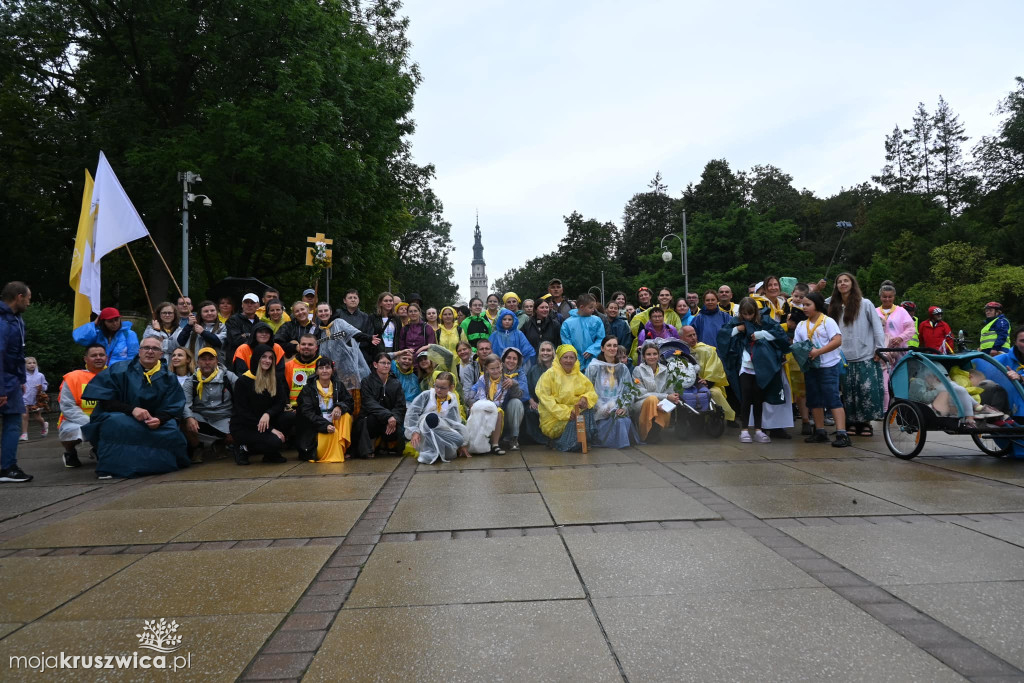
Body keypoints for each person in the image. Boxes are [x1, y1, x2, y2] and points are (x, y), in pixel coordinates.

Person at [81, 337, 190, 478]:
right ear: (139, 351)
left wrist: (159, 419)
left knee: (171, 430)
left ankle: (157, 465)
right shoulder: (119, 370)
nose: (150, 352)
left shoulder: (169, 377)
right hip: (122, 415)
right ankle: (112, 467)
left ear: (161, 354)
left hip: (153, 421)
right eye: (146, 348)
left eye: (155, 349)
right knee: (114, 422)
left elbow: (173, 405)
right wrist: (132, 410)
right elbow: (106, 401)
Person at [718, 297, 791, 444]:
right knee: (746, 397)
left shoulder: (765, 320)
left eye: (750, 314)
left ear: (755, 312)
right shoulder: (736, 321)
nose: (747, 317)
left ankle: (758, 430)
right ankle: (744, 430)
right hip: (745, 365)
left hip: (762, 365)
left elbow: (781, 336)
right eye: (744, 314)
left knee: (759, 398)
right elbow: (722, 336)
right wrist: (737, 329)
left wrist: (762, 334)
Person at [828, 272, 886, 435]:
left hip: (866, 354)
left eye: (846, 281)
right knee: (848, 392)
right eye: (839, 282)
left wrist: (879, 349)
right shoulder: (834, 306)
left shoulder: (865, 304)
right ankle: (851, 422)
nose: (843, 284)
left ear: (852, 284)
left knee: (866, 391)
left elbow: (877, 327)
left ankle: (866, 423)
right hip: (843, 356)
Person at [794, 292, 850, 447]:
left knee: (832, 398)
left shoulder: (827, 321)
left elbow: (837, 340)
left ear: (817, 305)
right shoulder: (801, 325)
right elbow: (798, 344)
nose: (804, 308)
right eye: (803, 305)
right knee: (814, 399)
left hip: (828, 366)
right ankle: (819, 431)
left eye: (808, 304)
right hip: (811, 367)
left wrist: (819, 351)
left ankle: (842, 433)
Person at [230, 345, 291, 465]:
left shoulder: (275, 378)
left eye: (270, 358)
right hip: (246, 425)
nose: (267, 361)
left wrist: (268, 414)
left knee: (290, 417)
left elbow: (280, 402)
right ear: (256, 358)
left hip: (265, 420)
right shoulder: (243, 381)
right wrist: (271, 430)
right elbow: (243, 413)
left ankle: (269, 453)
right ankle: (243, 447)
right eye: (264, 357)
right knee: (275, 441)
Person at [535, 345, 598, 452]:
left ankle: (578, 441)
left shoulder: (579, 375)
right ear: (559, 358)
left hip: (574, 413)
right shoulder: (549, 375)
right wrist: (567, 413)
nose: (568, 361)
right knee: (578, 420)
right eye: (565, 357)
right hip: (555, 418)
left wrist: (585, 398)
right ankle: (562, 442)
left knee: (588, 410)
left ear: (575, 359)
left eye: (571, 357)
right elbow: (547, 402)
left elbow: (591, 392)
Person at [181, 346, 237, 463]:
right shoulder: (191, 381)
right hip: (202, 418)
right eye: (203, 359)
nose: (207, 363)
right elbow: (185, 403)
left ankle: (220, 443)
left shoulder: (229, 377)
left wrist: (236, 419)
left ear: (217, 361)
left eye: (210, 359)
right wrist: (189, 417)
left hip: (225, 418)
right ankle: (198, 447)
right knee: (183, 420)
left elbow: (242, 399)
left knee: (239, 431)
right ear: (197, 362)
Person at [1, 282, 33, 482]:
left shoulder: (15, 319)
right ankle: (7, 468)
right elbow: (2, 354)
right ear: (19, 297)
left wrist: (21, 379)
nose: (29, 303)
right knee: (13, 422)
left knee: (13, 421)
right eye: (28, 298)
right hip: (5, 380)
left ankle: (8, 466)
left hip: (11, 379)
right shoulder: (5, 322)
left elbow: (17, 352)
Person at [585, 336, 641, 448]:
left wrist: (623, 407)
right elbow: (588, 390)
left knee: (622, 420)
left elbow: (628, 391)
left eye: (615, 345)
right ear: (602, 348)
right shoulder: (593, 367)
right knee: (616, 422)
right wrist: (601, 407)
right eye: (609, 345)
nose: (612, 348)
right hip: (599, 408)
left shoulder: (622, 368)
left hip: (617, 405)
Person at [295, 357, 355, 462]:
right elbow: (307, 413)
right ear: (316, 371)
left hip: (333, 422)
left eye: (327, 368)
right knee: (332, 433)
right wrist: (325, 425)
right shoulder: (308, 388)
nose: (324, 371)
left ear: (332, 370)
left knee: (346, 416)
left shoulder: (338, 385)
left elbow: (349, 402)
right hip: (317, 427)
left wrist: (339, 406)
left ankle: (342, 449)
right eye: (321, 368)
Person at [58, 343, 107, 468]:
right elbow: (68, 406)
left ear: (106, 357)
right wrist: (90, 423)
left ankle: (99, 450)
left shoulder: (115, 375)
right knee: (75, 432)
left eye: (101, 355)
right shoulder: (73, 378)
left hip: (106, 419)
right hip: (76, 421)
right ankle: (70, 453)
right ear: (85, 359)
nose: (98, 358)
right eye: (94, 355)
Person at [405, 372, 467, 464]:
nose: (438, 390)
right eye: (436, 386)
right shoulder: (426, 395)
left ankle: (438, 448)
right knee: (431, 418)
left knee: (459, 440)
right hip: (424, 431)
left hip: (442, 430)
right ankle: (429, 450)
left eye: (442, 388)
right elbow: (412, 414)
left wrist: (461, 444)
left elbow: (454, 422)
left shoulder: (451, 399)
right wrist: (414, 431)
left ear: (451, 388)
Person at [354, 352, 407, 457]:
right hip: (373, 419)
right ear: (375, 364)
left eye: (388, 363)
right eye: (383, 363)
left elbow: (400, 405)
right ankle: (369, 447)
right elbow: (369, 403)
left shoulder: (396, 382)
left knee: (397, 431)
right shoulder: (366, 381)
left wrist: (394, 418)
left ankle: (386, 446)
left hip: (390, 421)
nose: (386, 365)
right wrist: (388, 416)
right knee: (370, 420)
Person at [466, 354, 520, 454]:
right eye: (492, 369)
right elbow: (481, 395)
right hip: (481, 404)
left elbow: (501, 399)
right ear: (486, 369)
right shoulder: (483, 379)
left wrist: (491, 406)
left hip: (495, 406)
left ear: (501, 366)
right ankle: (476, 442)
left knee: (498, 413)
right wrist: (486, 405)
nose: (495, 371)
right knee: (477, 411)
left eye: (497, 368)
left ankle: (495, 444)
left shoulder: (505, 380)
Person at [680, 325, 735, 422]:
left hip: (707, 384)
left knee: (715, 393)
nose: (693, 338)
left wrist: (708, 381)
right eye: (689, 336)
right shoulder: (678, 352)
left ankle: (720, 418)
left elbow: (715, 369)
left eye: (694, 334)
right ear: (681, 338)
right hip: (685, 386)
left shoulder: (707, 350)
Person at [876, 281, 916, 411]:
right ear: (880, 297)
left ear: (894, 297)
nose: (887, 299)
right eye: (884, 296)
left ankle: (901, 407)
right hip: (881, 351)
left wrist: (900, 338)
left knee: (900, 380)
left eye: (890, 297)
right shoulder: (875, 311)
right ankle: (883, 409)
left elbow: (910, 329)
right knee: (882, 382)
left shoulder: (901, 311)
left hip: (899, 350)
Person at [315, 302, 371, 392]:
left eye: (326, 310)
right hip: (331, 370)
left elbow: (354, 333)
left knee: (352, 393)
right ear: (317, 314)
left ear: (331, 312)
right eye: (320, 311)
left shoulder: (339, 323)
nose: (323, 313)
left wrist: (369, 338)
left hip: (347, 368)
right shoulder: (319, 330)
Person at [630, 341, 677, 443]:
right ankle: (646, 434)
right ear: (643, 356)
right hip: (642, 403)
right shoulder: (638, 370)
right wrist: (664, 397)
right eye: (648, 354)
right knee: (652, 399)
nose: (652, 357)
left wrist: (668, 398)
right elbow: (640, 393)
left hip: (661, 403)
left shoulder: (666, 370)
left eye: (655, 354)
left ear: (659, 355)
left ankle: (654, 433)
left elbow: (670, 391)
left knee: (663, 403)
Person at [73, 307, 139, 366]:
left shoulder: (129, 334)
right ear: (103, 322)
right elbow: (79, 338)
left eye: (116, 319)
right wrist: (94, 324)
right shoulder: (97, 333)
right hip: (98, 371)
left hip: (120, 374)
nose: (115, 323)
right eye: (110, 321)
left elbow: (133, 358)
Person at [560, 293, 605, 371]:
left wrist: (592, 350)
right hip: (574, 362)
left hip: (594, 361)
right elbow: (567, 344)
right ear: (581, 307)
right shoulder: (567, 323)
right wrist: (576, 358)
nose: (593, 310)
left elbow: (601, 339)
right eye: (591, 307)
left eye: (594, 307)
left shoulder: (597, 320)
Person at [334, 289, 378, 364]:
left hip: (361, 353)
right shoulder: (337, 314)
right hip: (341, 353)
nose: (353, 300)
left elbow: (368, 335)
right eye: (350, 298)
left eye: (355, 298)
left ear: (358, 300)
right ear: (344, 300)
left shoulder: (365, 316)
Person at [524, 341, 555, 444]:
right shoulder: (533, 370)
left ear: (553, 353)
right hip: (538, 403)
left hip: (555, 404)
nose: (545, 353)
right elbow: (527, 388)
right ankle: (541, 440)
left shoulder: (558, 370)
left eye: (548, 350)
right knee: (530, 412)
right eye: (542, 350)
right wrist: (531, 401)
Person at [284, 333, 321, 407]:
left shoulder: (323, 365)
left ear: (316, 347)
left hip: (317, 409)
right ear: (299, 346)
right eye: (303, 344)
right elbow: (283, 390)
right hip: (294, 409)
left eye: (310, 344)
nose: (306, 347)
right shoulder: (288, 366)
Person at [225, 292, 261, 357]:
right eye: (246, 302)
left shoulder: (260, 323)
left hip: (255, 357)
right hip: (237, 357)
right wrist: (256, 338)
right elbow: (236, 340)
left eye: (252, 302)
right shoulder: (233, 320)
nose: (249, 305)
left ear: (258, 305)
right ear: (242, 304)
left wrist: (246, 335)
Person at [21, 356, 48, 441]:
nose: (32, 365)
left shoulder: (40, 375)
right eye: (29, 363)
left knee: (37, 417)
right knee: (25, 416)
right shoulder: (22, 375)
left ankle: (44, 425)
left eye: (34, 363)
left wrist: (41, 387)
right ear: (24, 365)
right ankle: (24, 434)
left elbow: (45, 386)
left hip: (36, 399)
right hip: (24, 398)